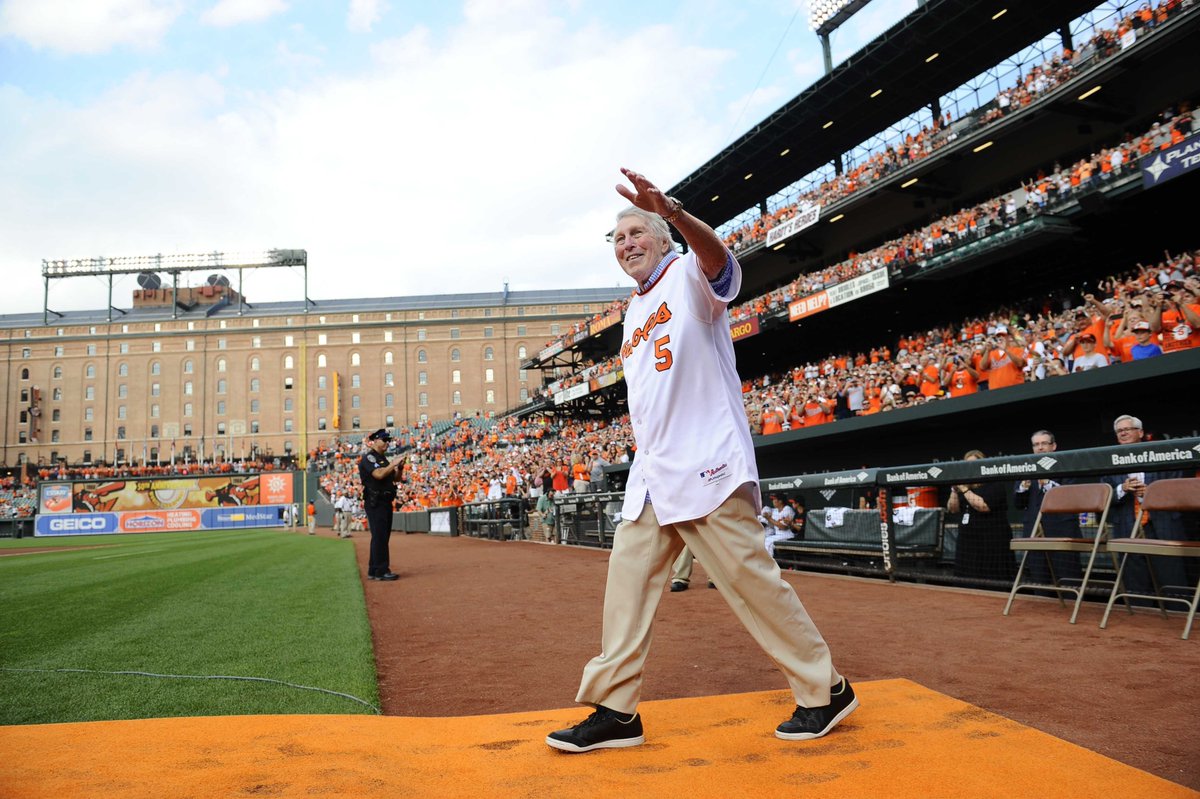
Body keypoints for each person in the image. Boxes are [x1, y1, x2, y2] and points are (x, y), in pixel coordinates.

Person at [547, 169, 855, 754]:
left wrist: (678, 212)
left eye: (639, 232)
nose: (628, 243)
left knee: (750, 582)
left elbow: (717, 258)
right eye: (618, 239)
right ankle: (615, 711)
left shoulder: (689, 276)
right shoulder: (633, 313)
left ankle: (826, 689)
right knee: (627, 587)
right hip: (654, 472)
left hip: (707, 463)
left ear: (664, 241)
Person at [1101, 415, 1189, 597]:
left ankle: (1177, 617)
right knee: (1134, 580)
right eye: (1119, 431)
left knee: (1171, 578)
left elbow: (1179, 488)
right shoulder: (1109, 459)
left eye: (1127, 429)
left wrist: (1152, 493)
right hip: (1128, 525)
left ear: (1140, 432)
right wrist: (1122, 488)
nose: (1123, 433)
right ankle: (1137, 616)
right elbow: (1104, 492)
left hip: (1163, 525)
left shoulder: (1163, 452)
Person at [1013, 430, 1082, 588]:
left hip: (1062, 531)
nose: (1040, 448)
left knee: (1067, 579)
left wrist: (1047, 483)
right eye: (1036, 444)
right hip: (1034, 532)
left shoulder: (1067, 464)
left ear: (1054, 446)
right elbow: (1018, 504)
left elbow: (1071, 497)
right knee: (1039, 580)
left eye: (1044, 443)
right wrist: (1023, 486)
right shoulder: (1026, 468)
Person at [947, 449, 1015, 582]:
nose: (970, 467)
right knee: (966, 577)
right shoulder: (966, 485)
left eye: (974, 463)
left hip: (991, 539)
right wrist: (954, 491)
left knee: (991, 577)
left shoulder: (994, 482)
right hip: (969, 538)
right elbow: (953, 508)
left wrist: (964, 489)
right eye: (967, 464)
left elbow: (983, 506)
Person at [358, 428, 405, 582]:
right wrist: (392, 464)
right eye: (384, 440)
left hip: (385, 501)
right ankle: (381, 570)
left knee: (381, 537)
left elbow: (396, 479)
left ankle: (374, 569)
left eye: (388, 440)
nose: (387, 443)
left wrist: (400, 468)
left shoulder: (383, 459)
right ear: (376, 440)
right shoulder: (369, 458)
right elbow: (378, 475)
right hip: (375, 501)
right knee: (380, 536)